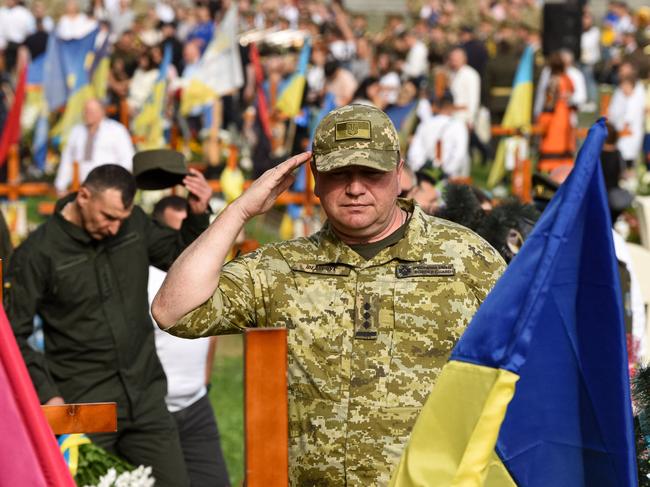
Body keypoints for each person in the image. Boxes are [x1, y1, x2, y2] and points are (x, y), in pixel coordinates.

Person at [152, 104, 505, 485]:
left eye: (371, 172)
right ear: (316, 178)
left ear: (398, 172)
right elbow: (173, 311)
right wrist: (241, 210)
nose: (355, 188)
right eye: (340, 174)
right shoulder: (283, 268)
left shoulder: (465, 257)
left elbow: (526, 370)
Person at [5, 163, 213, 486]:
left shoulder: (134, 224)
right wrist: (47, 394)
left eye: (122, 218)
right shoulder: (36, 254)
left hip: (145, 400)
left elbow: (181, 256)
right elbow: (12, 335)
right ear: (84, 196)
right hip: (83, 406)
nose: (116, 228)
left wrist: (198, 215)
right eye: (108, 217)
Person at [148, 195, 230, 487]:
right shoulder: (143, 281)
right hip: (154, 411)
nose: (185, 244)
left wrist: (204, 382)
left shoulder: (204, 280)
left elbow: (211, 332)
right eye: (175, 232)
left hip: (196, 405)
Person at [54, 98, 135, 193]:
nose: (88, 114)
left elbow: (127, 159)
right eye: (86, 111)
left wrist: (117, 184)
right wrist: (60, 185)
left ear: (102, 112)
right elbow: (67, 159)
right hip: (82, 186)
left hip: (108, 185)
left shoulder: (116, 130)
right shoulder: (76, 131)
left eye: (92, 111)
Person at [407, 92, 470, 178]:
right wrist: (445, 173)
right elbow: (459, 154)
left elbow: (415, 151)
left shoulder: (425, 124)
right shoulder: (459, 126)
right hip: (447, 178)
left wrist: (420, 169)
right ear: (452, 106)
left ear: (437, 105)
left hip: (423, 175)